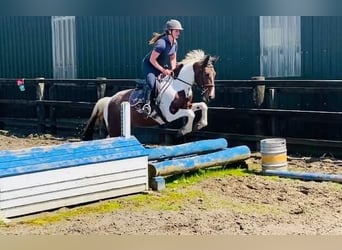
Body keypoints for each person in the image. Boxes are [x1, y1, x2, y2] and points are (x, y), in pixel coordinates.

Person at [141, 19, 184, 115]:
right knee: (152, 84)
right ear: (169, 31)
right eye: (176, 31)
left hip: (161, 66)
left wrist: (172, 70)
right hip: (150, 66)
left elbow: (173, 58)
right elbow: (152, 60)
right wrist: (163, 70)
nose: (179, 33)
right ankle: (146, 104)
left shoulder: (175, 43)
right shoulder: (161, 44)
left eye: (179, 31)